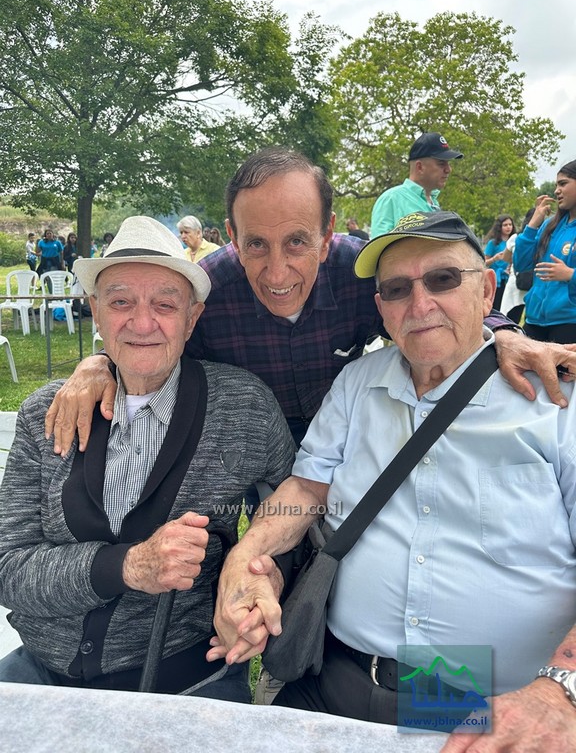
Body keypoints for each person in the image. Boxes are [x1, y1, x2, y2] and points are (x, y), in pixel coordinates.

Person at [212, 211, 576, 752]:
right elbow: (307, 490)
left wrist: (562, 691)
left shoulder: (557, 401)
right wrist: (246, 554)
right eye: (398, 289)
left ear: (487, 290)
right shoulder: (357, 383)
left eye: (443, 279)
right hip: (335, 685)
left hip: (490, 710)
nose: (420, 304)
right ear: (381, 308)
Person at [45, 148, 576, 460]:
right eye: (256, 244)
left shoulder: (359, 271)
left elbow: (431, 305)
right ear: (232, 236)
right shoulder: (209, 289)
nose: (277, 273)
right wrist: (99, 364)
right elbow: (150, 336)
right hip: (246, 454)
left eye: (297, 242)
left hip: (345, 443)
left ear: (326, 235)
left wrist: (503, 333)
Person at [0, 216, 294, 699]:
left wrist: (265, 573)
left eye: (165, 304)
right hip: (42, 676)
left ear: (192, 319)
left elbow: (295, 510)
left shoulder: (243, 407)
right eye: (120, 302)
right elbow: (8, 568)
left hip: (190, 681)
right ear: (96, 311)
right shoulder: (44, 414)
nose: (141, 323)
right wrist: (130, 566)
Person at [514, 160, 576, 345]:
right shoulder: (550, 226)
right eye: (556, 184)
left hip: (569, 322)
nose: (556, 190)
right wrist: (533, 224)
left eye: (563, 184)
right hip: (534, 320)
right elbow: (521, 264)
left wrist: (570, 274)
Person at [370, 132, 463, 238]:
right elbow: (378, 246)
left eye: (448, 163)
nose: (448, 169)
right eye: (441, 163)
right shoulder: (391, 199)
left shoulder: (433, 202)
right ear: (420, 167)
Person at [500, 209, 535, 324]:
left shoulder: (516, 237)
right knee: (531, 319)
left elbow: (505, 257)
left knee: (511, 317)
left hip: (516, 280)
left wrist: (517, 260)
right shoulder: (545, 237)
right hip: (536, 282)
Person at [483, 214, 515, 311]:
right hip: (496, 280)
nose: (508, 227)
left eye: (510, 224)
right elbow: (484, 263)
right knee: (496, 307)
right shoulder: (493, 243)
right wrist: (494, 259)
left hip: (509, 279)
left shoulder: (514, 242)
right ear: (499, 227)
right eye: (505, 225)